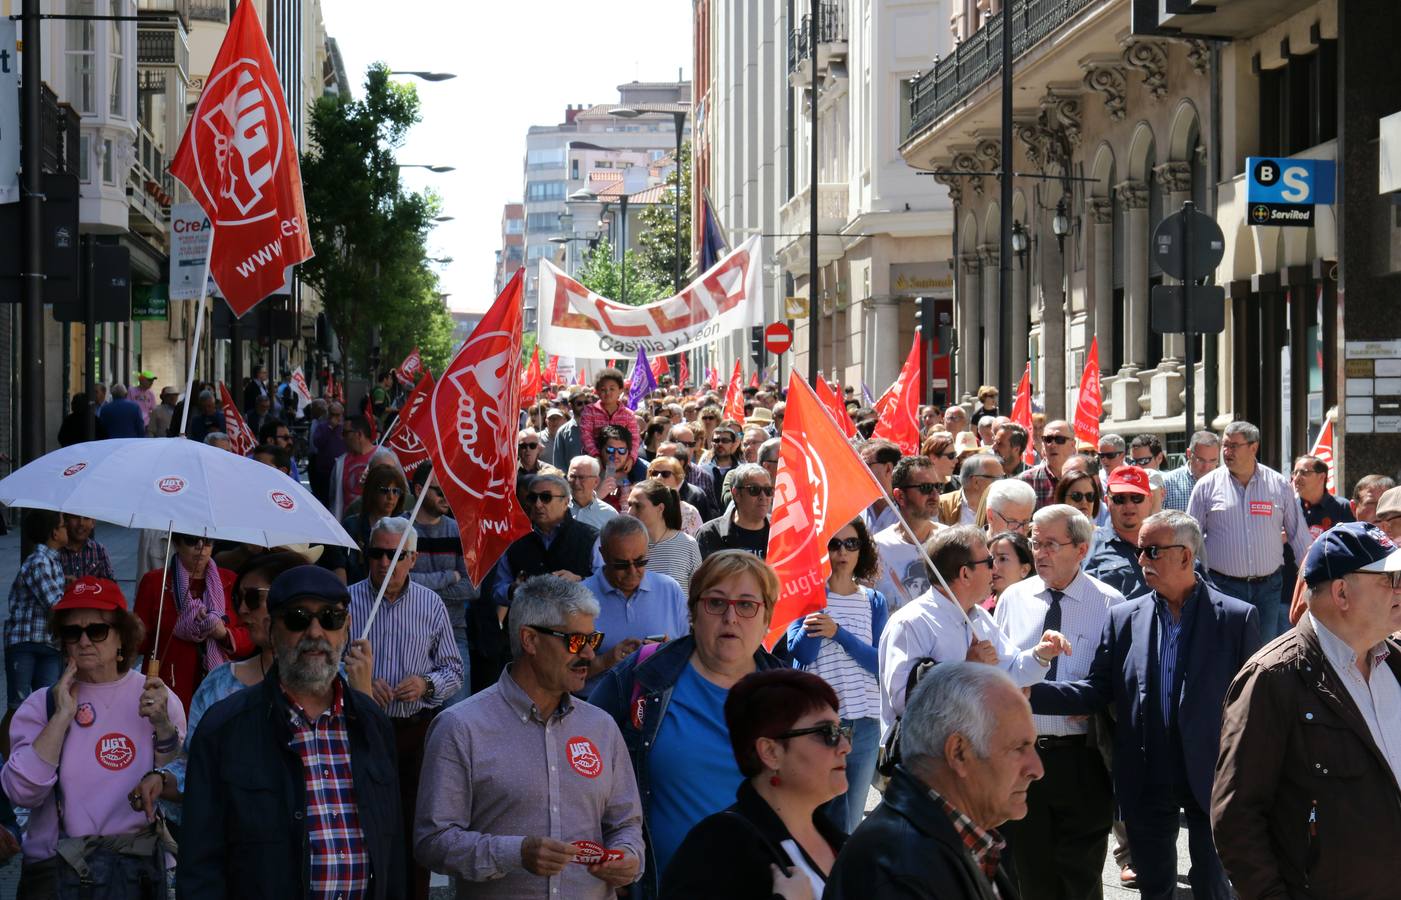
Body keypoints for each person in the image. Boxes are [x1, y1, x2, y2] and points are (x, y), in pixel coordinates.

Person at [1030, 510, 1261, 900]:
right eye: (1140, 551)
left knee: (1212, 886)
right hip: (1145, 770)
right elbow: (1095, 690)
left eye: (1152, 551)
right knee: (1154, 887)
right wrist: (1025, 691)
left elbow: (1254, 703)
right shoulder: (1124, 617)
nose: (1141, 561)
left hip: (1211, 772)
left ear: (1186, 556)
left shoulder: (1236, 618)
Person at [179, 565, 405, 897]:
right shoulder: (223, 729)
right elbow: (199, 869)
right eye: (298, 618)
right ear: (271, 629)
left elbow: (393, 852)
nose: (316, 632)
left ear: (346, 629)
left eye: (330, 618)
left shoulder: (372, 722)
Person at [414, 575, 643, 898]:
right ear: (530, 640)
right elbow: (432, 842)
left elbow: (626, 825)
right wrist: (516, 853)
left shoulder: (602, 727)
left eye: (593, 640)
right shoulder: (459, 727)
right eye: (577, 641)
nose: (590, 655)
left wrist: (628, 857)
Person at [1213, 522, 1401, 900]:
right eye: (1390, 578)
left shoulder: (1395, 663)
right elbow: (1237, 818)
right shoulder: (1273, 679)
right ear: (1342, 592)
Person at [591, 552, 786, 899]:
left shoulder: (793, 698)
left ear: (767, 617)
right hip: (661, 887)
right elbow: (583, 762)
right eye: (715, 602)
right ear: (694, 612)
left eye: (746, 605)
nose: (730, 617)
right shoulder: (646, 675)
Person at [148, 550, 365, 817]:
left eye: (253, 598)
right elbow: (193, 767)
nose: (241, 610)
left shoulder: (343, 682)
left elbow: (365, 778)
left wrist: (363, 697)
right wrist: (160, 779)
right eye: (238, 598)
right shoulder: (220, 683)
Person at [2, 577, 184, 896]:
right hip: (59, 872)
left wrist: (164, 727)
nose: (84, 641)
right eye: (73, 632)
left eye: (97, 630)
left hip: (137, 873)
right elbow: (21, 792)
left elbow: (178, 785)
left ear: (121, 639)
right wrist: (60, 717)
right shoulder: (42, 704)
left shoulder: (155, 697)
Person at [992, 504, 1126, 900]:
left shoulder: (1110, 604)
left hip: (1082, 759)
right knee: (1030, 877)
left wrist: (1085, 699)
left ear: (1081, 549)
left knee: (1081, 878)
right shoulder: (1013, 599)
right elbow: (999, 672)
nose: (1040, 552)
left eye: (1051, 543)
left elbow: (1115, 685)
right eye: (1035, 542)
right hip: (1021, 758)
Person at [825, 663, 1038, 900]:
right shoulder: (902, 869)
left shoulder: (949, 841)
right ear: (958, 752)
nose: (1037, 769)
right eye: (1019, 748)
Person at [348, 516, 463, 900]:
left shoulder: (431, 604)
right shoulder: (347, 601)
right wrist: (356, 682)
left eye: (396, 555)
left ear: (412, 559)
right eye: (378, 553)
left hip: (414, 731)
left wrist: (427, 684)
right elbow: (327, 661)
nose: (385, 563)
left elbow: (453, 669)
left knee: (415, 826)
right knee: (364, 824)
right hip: (360, 730)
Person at [661, 670, 850, 899]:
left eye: (842, 731)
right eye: (827, 732)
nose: (845, 746)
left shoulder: (841, 843)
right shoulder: (720, 846)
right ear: (771, 752)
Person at [879, 526, 1068, 737]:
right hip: (926, 759)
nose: (994, 569)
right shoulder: (910, 624)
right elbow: (904, 703)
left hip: (973, 755)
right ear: (965, 573)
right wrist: (968, 669)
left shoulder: (980, 618)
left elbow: (1013, 670)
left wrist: (1041, 655)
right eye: (988, 562)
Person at [786, 518, 888, 831]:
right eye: (834, 544)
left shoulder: (873, 600)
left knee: (851, 821)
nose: (842, 551)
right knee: (823, 818)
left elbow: (879, 663)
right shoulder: (807, 596)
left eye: (851, 544)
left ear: (862, 551)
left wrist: (839, 633)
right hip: (822, 723)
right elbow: (801, 654)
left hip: (866, 722)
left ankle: (841, 879)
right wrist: (816, 615)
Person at [1187, 420, 1310, 638]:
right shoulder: (1207, 486)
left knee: (1263, 653)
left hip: (1268, 589)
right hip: (1222, 587)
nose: (1227, 451)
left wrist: (1312, 580)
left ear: (1253, 447)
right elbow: (1190, 539)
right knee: (1226, 650)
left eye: (1234, 446)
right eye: (1225, 445)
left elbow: (1298, 536)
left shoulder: (1278, 485)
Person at [134, 532, 249, 712]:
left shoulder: (231, 580)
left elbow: (250, 636)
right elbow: (139, 642)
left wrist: (224, 634)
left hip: (222, 688)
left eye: (208, 541)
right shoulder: (156, 582)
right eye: (191, 540)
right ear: (177, 543)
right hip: (169, 687)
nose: (201, 547)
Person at [582, 517, 690, 695]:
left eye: (640, 562)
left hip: (656, 706)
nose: (632, 572)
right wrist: (605, 661)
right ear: (603, 555)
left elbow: (688, 657)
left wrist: (668, 652)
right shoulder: (580, 597)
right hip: (599, 710)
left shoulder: (669, 589)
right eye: (621, 564)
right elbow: (561, 672)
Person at [410, 469, 475, 704]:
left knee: (456, 714)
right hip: (410, 633)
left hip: (453, 634)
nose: (447, 497)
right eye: (440, 491)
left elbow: (472, 588)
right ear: (419, 490)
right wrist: (449, 576)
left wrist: (421, 588)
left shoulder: (459, 531)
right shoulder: (402, 531)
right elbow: (399, 584)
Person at [5, 511, 69, 714]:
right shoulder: (39, 561)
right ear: (55, 533)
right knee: (19, 708)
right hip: (27, 642)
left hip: (49, 644)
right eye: (63, 526)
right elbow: (55, 603)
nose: (67, 529)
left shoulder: (52, 561)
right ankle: (11, 746)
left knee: (47, 706)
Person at [871, 457, 946, 611]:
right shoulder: (877, 548)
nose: (934, 494)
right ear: (900, 496)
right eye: (925, 487)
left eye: (937, 486)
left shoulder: (950, 541)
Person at [1085, 466, 1153, 600]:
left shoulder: (1168, 542)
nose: (1128, 505)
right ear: (1106, 501)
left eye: (1136, 497)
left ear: (1150, 499)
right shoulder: (1089, 547)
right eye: (1119, 499)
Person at [627, 479, 702, 593]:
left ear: (660, 508)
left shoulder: (687, 544)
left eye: (638, 506)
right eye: (629, 505)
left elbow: (697, 593)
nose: (630, 512)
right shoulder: (625, 545)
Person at [341, 464, 409, 584]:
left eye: (396, 491)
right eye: (384, 490)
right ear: (371, 492)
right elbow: (339, 567)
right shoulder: (351, 525)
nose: (391, 497)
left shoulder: (405, 527)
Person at [695, 463, 773, 560]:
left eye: (768, 490)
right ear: (736, 494)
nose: (763, 496)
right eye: (754, 489)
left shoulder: (780, 532)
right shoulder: (709, 535)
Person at [580, 368, 643, 462]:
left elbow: (634, 439)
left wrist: (631, 458)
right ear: (596, 391)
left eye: (612, 389)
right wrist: (596, 455)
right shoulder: (589, 411)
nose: (608, 392)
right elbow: (586, 436)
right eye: (603, 389)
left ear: (621, 390)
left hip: (622, 459)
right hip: (593, 459)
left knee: (643, 470)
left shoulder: (628, 414)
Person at [1018, 419, 1075, 509]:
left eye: (1059, 439)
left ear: (1073, 445)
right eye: (1048, 439)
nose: (1052, 445)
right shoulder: (1026, 481)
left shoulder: (1083, 479)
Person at [328, 415, 377, 519]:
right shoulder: (340, 463)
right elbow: (333, 498)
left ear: (359, 434)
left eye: (345, 433)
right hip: (346, 528)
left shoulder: (384, 458)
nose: (342, 437)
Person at [1161, 430, 1220, 511]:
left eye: (1213, 460)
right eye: (1201, 460)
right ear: (1189, 454)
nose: (1206, 467)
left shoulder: (1225, 483)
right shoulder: (1167, 483)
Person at [940, 452, 1002, 527]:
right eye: (997, 478)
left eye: (1003, 477)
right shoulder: (942, 506)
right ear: (976, 482)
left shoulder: (1002, 507)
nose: (1002, 482)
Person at [647, 456, 704, 534]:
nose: (658, 477)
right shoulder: (641, 506)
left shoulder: (690, 512)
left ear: (677, 479)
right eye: (654, 473)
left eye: (665, 474)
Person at [859, 439, 904, 536]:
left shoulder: (911, 511)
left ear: (888, 468)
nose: (860, 470)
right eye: (859, 465)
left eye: (866, 465)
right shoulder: (856, 509)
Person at [566, 455, 619, 531]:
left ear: (596, 481)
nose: (576, 483)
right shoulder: (557, 507)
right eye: (572, 477)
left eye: (582, 478)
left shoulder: (609, 514)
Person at [310, 400, 346, 505]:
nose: (336, 418)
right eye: (333, 414)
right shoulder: (322, 427)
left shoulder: (345, 427)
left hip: (341, 468)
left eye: (338, 415)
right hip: (325, 469)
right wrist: (330, 428)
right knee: (325, 498)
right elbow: (317, 443)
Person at [701, 422, 743, 511]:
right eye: (716, 441)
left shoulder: (741, 471)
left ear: (733, 443)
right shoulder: (702, 471)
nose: (720, 444)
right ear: (711, 443)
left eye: (725, 441)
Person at [987, 531, 1033, 610]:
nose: (993, 566)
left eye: (1003, 559)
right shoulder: (977, 607)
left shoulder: (1034, 610)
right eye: (991, 559)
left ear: (1024, 570)